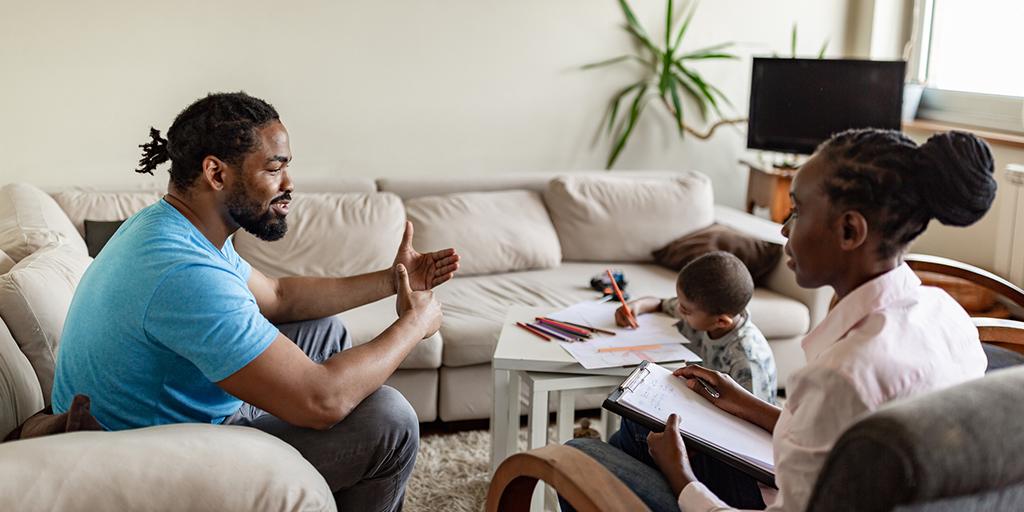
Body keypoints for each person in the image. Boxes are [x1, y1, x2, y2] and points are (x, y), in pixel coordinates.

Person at [50, 92, 459, 512]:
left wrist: (398, 280)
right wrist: (415, 323)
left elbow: (279, 297)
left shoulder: (173, 227)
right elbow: (323, 400)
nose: (289, 183)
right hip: (154, 463)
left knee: (323, 331)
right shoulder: (183, 272)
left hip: (168, 422)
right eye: (274, 167)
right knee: (389, 419)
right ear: (216, 173)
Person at [566, 128, 996, 512]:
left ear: (849, 231)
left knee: (577, 462)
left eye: (797, 210)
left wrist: (682, 478)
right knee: (643, 429)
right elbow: (847, 438)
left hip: (768, 495)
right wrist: (741, 401)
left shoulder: (844, 375)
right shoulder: (947, 314)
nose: (784, 229)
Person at [615, 251, 776, 404]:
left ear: (721, 322)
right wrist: (636, 306)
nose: (679, 309)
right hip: (698, 400)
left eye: (684, 309)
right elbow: (659, 303)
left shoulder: (747, 359)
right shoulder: (703, 313)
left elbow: (755, 419)